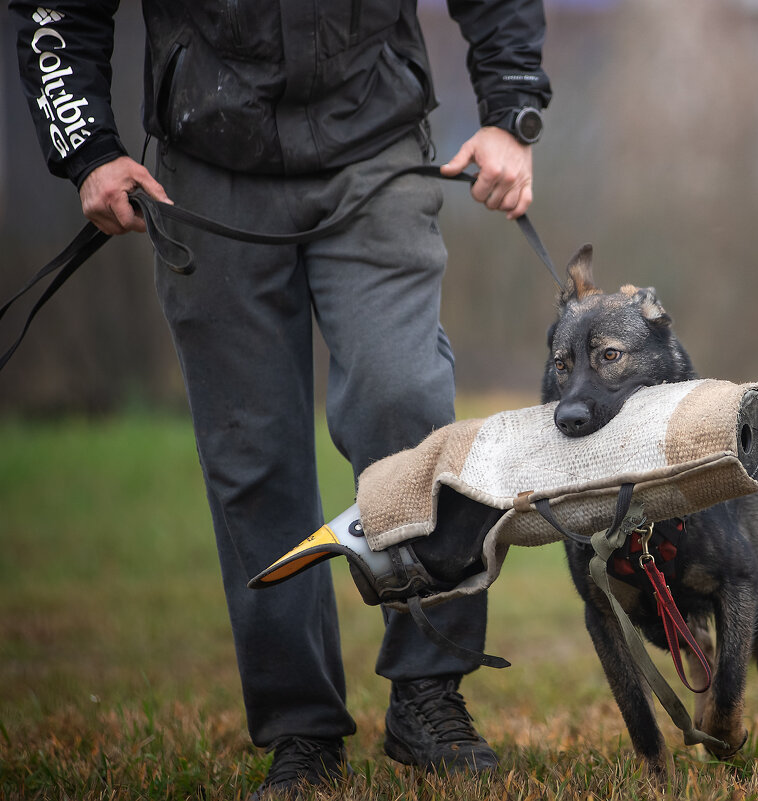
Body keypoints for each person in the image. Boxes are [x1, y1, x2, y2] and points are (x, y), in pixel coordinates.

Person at [10, 1, 551, 797]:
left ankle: (430, 692)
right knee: (252, 453)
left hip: (374, 139)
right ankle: (302, 728)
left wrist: (509, 110)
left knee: (402, 400)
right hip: (205, 158)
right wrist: (86, 144)